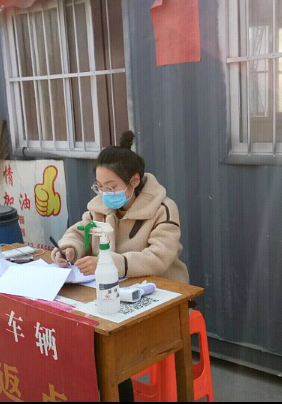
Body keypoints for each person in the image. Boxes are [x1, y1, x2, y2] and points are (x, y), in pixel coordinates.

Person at [51, 130, 189, 402]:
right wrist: (69, 248)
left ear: (134, 181)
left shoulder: (163, 209)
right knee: (81, 335)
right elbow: (79, 231)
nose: (105, 193)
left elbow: (159, 257)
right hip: (112, 293)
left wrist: (110, 262)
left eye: (111, 186)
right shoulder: (100, 208)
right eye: (99, 186)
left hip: (159, 296)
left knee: (107, 345)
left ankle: (118, 393)